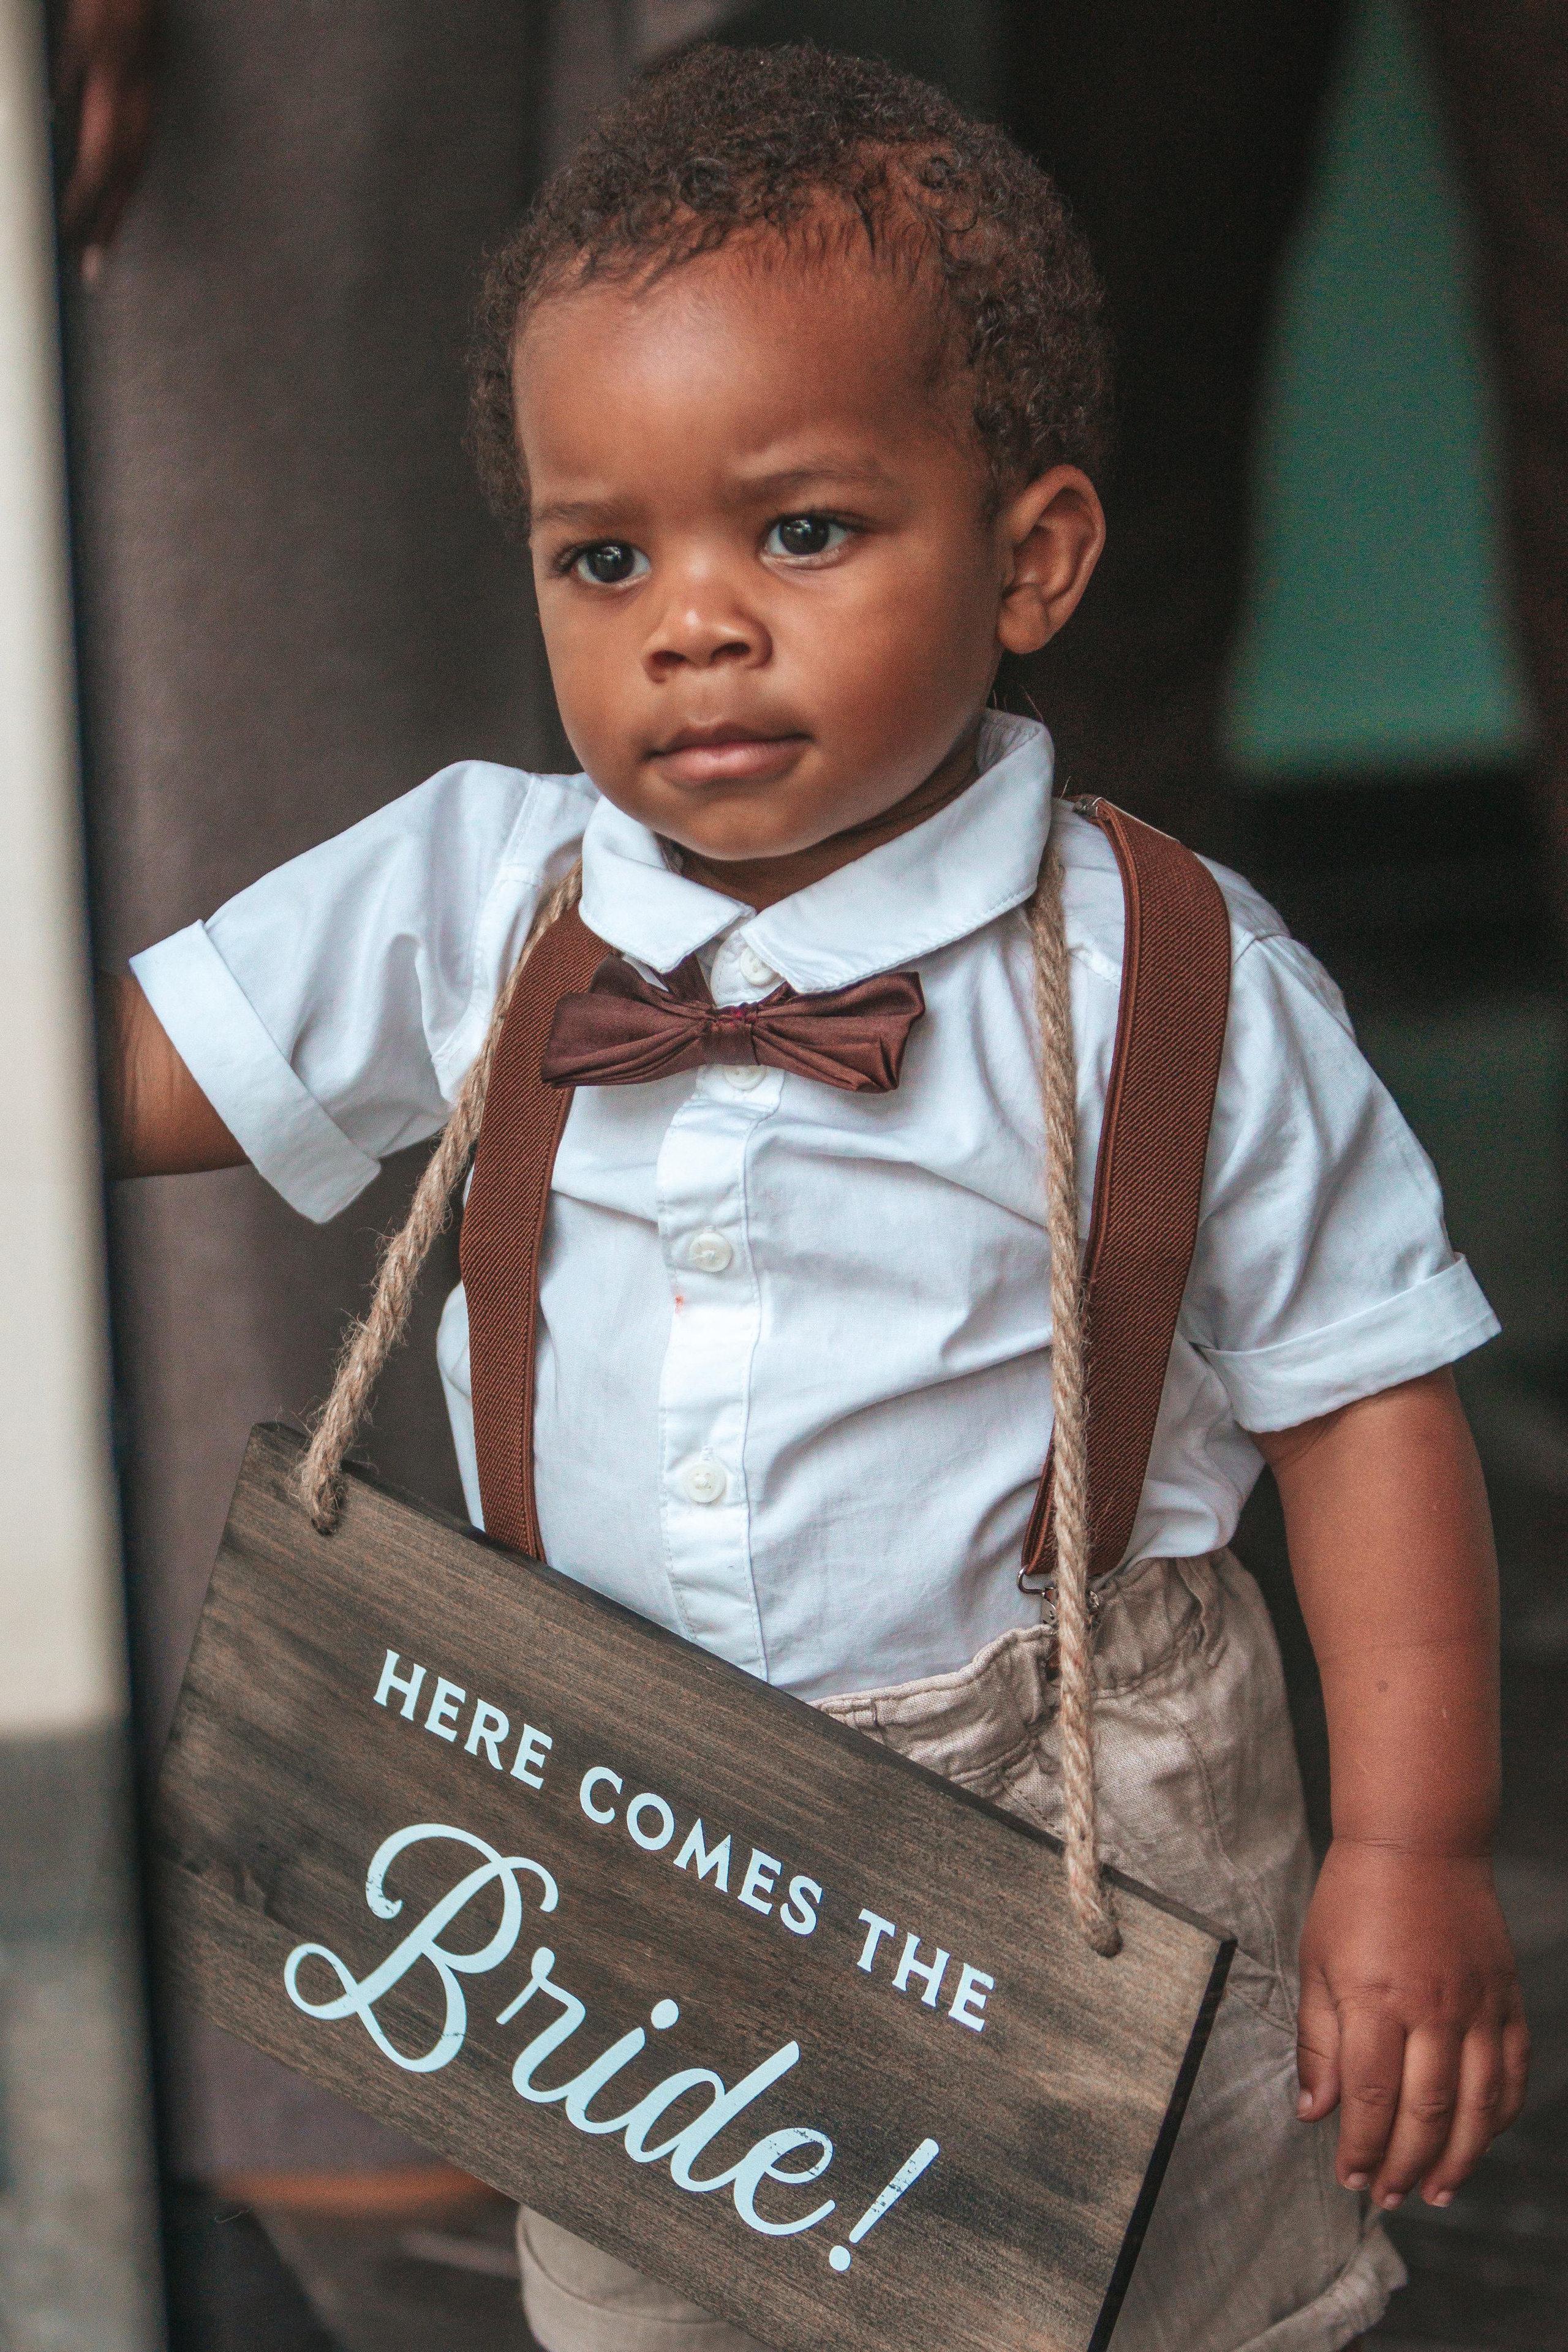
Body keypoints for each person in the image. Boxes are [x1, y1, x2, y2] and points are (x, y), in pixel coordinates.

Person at [102, 46, 1528, 2352]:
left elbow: (1370, 1411)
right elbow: (131, 1074)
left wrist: (1411, 1845)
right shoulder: (482, 895)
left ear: (1032, 558)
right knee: (653, 2310)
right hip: (619, 1818)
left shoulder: (1173, 981)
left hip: (1079, 1831)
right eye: (606, 558)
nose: (693, 623)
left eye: (801, 532)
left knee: (1142, 2310)